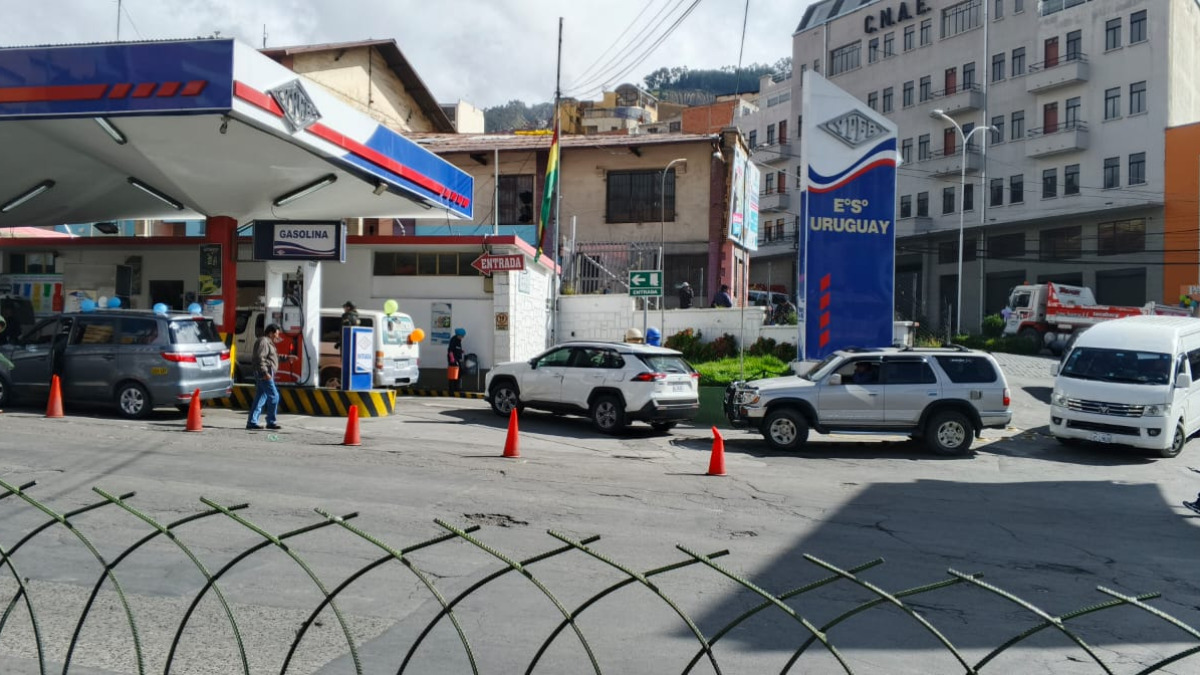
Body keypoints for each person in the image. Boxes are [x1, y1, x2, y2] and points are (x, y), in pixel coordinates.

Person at [248, 323, 292, 430]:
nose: (278, 336)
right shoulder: (263, 341)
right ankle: (271, 421)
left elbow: (273, 357)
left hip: (267, 372)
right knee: (274, 396)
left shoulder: (268, 342)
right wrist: (264, 373)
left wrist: (287, 358)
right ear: (271, 333)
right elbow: (259, 358)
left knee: (261, 397)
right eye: (276, 334)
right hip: (264, 373)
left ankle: (252, 422)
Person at [447, 327, 466, 392]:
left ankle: (456, 387)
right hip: (453, 360)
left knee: (459, 373)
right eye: (462, 336)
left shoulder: (458, 340)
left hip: (457, 359)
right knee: (453, 374)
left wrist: (461, 351)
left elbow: (457, 349)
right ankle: (452, 389)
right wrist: (452, 358)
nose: (462, 337)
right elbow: (450, 350)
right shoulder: (454, 340)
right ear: (459, 335)